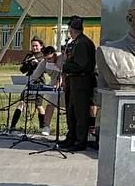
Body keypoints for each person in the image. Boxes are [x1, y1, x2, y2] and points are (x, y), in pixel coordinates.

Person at [60, 15, 96, 152]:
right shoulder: (76, 42)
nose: (69, 32)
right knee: (71, 111)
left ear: (74, 30)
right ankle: (71, 137)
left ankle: (80, 141)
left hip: (81, 81)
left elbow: (81, 65)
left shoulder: (82, 43)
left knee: (80, 112)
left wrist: (64, 67)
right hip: (73, 81)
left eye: (70, 30)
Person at [27, 45, 62, 136]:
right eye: (46, 59)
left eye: (49, 58)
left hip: (67, 83)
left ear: (54, 54)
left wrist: (60, 82)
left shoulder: (61, 58)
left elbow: (64, 73)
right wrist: (30, 82)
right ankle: (46, 126)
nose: (48, 61)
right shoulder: (44, 62)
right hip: (53, 85)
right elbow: (35, 76)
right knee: (50, 104)